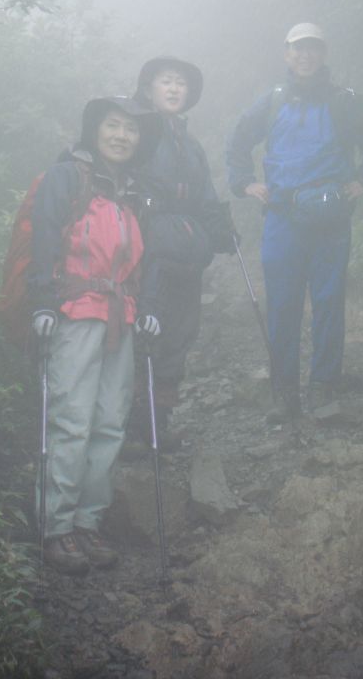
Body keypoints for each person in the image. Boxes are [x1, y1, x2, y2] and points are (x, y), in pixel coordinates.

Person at [226, 22, 363, 421]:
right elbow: (237, 142)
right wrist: (246, 183)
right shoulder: (271, 102)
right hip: (282, 218)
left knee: (329, 303)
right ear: (287, 54)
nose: (306, 56)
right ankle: (285, 395)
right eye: (299, 49)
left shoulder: (345, 102)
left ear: (324, 54)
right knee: (282, 306)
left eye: (313, 48)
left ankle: (323, 389)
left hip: (331, 219)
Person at [28, 96, 162, 574]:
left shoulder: (134, 193)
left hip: (120, 316)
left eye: (131, 129)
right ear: (95, 130)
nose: (122, 135)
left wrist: (146, 308)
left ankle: (88, 522)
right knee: (72, 418)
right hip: (75, 312)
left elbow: (145, 261)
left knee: (108, 422)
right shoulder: (67, 177)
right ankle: (56, 527)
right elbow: (43, 238)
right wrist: (42, 301)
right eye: (113, 126)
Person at [126, 56, 235, 450]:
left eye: (180, 84)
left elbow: (204, 193)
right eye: (166, 81)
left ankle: (159, 422)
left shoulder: (189, 144)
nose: (174, 89)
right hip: (148, 253)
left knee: (179, 335)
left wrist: (221, 229)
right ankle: (134, 427)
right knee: (144, 333)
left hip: (187, 255)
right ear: (148, 88)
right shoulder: (135, 131)